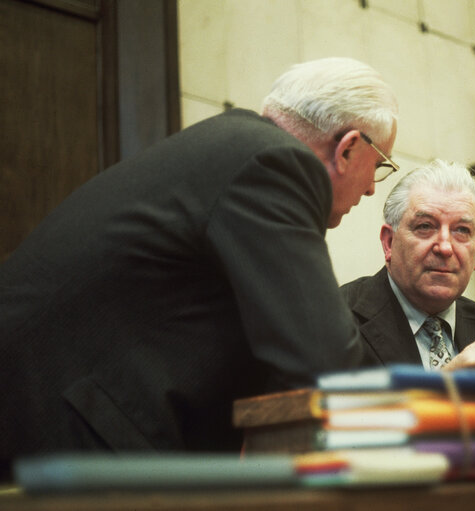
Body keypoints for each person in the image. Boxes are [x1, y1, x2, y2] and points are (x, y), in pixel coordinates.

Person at [0, 57, 417, 465]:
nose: (368, 191)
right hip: (56, 431)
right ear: (347, 149)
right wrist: (440, 393)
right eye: (379, 166)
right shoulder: (274, 165)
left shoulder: (231, 145)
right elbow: (326, 363)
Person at [341, 159, 475, 371]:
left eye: (461, 230)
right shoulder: (337, 318)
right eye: (425, 226)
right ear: (389, 242)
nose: (445, 247)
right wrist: (447, 385)